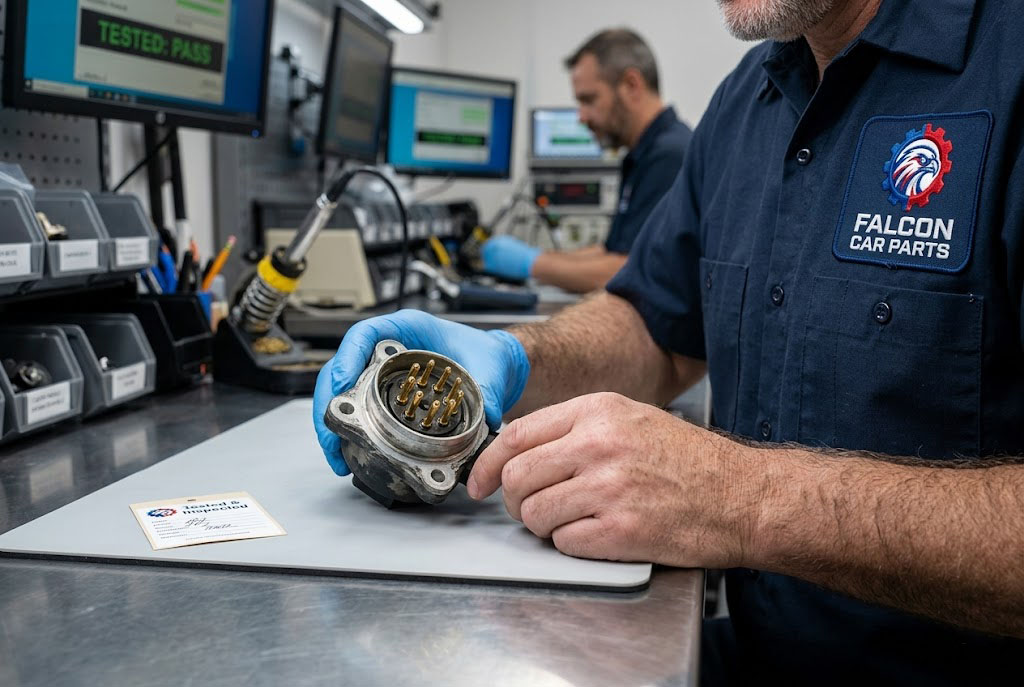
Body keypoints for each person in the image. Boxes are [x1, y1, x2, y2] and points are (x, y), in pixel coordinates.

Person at [314, 0, 1024, 682]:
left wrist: (740, 498)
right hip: (753, 651)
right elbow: (656, 325)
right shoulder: (746, 104)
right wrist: (513, 353)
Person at [482, 29, 692, 294]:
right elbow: (613, 251)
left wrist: (531, 264)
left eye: (589, 100)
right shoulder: (644, 153)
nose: (580, 117)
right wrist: (541, 257)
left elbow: (625, 269)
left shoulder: (670, 156)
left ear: (631, 85)